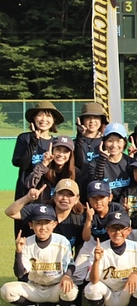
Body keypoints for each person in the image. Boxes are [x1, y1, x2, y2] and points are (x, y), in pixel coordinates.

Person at [1, 205, 77, 306]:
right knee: (6, 290)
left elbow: (71, 265)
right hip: (34, 287)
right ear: (31, 225)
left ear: (54, 224)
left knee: (71, 290)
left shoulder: (62, 241)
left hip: (55, 287)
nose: (43, 227)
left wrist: (67, 276)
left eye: (47, 223)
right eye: (38, 223)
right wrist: (18, 252)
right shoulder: (27, 243)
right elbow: (20, 273)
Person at [84, 210, 137, 306]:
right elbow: (93, 280)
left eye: (121, 228)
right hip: (107, 293)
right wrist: (96, 261)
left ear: (129, 230)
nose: (117, 232)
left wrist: (136, 274)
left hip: (126, 292)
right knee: (91, 288)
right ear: (107, 230)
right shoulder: (100, 249)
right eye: (113, 228)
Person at [12, 101, 63, 238]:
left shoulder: (57, 142)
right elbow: (21, 164)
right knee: (23, 236)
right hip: (26, 193)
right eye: (40, 115)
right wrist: (34, 141)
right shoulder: (25, 138)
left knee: (46, 236)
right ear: (34, 118)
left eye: (48, 116)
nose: (44, 119)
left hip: (47, 196)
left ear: (54, 121)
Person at [24, 135, 79, 205]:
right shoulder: (42, 168)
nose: (61, 154)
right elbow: (28, 184)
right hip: (42, 210)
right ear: (52, 150)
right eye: (58, 149)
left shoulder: (75, 173)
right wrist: (44, 164)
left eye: (65, 151)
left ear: (70, 155)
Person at [84, 122, 132, 204]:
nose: (114, 145)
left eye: (118, 141)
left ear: (124, 143)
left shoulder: (130, 162)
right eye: (110, 141)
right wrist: (102, 160)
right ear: (103, 142)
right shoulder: (95, 163)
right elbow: (94, 184)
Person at [74, 102, 107, 170]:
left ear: (101, 120)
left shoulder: (106, 142)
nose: (92, 121)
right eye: (88, 117)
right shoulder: (76, 142)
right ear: (82, 121)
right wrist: (80, 136)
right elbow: (78, 163)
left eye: (96, 117)